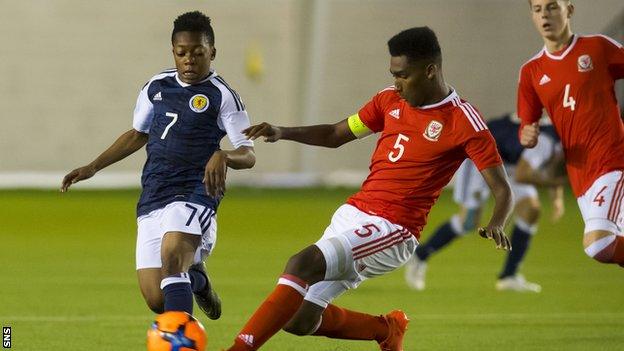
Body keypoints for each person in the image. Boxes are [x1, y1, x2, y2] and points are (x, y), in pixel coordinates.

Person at [225, 27, 512, 351]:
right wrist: (282, 131)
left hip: (393, 228)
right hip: (353, 214)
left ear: (430, 70)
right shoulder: (388, 101)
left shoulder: (463, 121)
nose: (397, 84)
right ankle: (386, 329)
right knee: (298, 318)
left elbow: (502, 188)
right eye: (394, 75)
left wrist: (497, 221)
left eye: (403, 76)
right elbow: (336, 134)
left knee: (301, 264)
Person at [60, 11, 255, 319]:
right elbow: (138, 134)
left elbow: (248, 153)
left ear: (212, 52)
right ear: (173, 52)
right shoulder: (156, 86)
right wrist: (93, 166)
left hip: (196, 190)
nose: (189, 59)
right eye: (182, 53)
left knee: (174, 257)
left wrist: (225, 155)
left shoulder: (223, 96)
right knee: (156, 297)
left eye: (198, 52)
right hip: (155, 190)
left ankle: (180, 339)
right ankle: (198, 280)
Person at [405, 113, 566, 292]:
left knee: (531, 210)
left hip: (509, 163)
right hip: (479, 157)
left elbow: (553, 169)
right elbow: (524, 174)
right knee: (468, 222)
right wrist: (558, 184)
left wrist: (557, 197)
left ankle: (509, 276)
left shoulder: (557, 137)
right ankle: (420, 255)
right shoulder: (545, 140)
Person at [518, 0, 624, 266]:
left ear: (569, 10)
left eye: (552, 7)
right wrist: (527, 136)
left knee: (599, 243)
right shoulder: (532, 71)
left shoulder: (598, 47)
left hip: (612, 161)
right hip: (580, 177)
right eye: (538, 9)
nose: (545, 14)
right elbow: (526, 125)